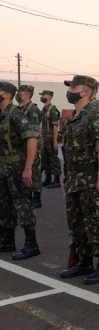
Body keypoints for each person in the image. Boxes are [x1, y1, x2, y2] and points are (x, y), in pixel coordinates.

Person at [58, 75, 99, 285]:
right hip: (74, 176)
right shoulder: (74, 116)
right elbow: (67, 150)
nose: (70, 90)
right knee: (76, 222)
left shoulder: (95, 113)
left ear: (86, 91)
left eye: (74, 87)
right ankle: (84, 260)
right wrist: (65, 176)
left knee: (95, 221)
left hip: (91, 176)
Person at [0, 82, 40, 260]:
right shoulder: (1, 114)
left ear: (7, 94)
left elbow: (32, 138)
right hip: (2, 166)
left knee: (22, 203)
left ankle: (31, 244)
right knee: (4, 204)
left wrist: (28, 168)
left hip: (16, 166)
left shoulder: (15, 114)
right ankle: (8, 240)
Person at [17, 85, 43, 209]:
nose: (18, 95)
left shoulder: (32, 110)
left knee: (34, 172)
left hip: (32, 145)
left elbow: (33, 131)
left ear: (27, 94)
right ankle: (28, 196)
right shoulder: (22, 109)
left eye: (20, 93)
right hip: (24, 146)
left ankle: (36, 199)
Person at [40, 90, 62, 189]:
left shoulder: (53, 109)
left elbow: (55, 126)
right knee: (45, 159)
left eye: (43, 95)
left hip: (50, 138)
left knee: (53, 159)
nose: (42, 97)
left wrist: (55, 141)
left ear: (49, 97)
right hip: (44, 138)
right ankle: (48, 179)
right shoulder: (44, 109)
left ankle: (56, 180)